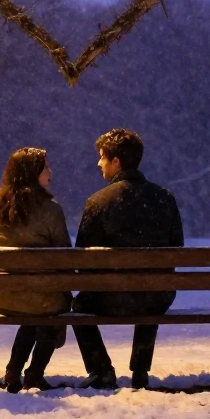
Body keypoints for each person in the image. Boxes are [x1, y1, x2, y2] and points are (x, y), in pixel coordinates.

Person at [72, 129, 184, 390]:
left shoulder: (98, 201)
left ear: (116, 161)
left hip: (111, 296)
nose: (99, 163)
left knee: (77, 307)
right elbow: (177, 247)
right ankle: (141, 371)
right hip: (157, 296)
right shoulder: (164, 198)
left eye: (102, 157)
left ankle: (101, 370)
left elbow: (82, 257)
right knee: (151, 290)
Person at [0, 147, 73, 393]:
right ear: (33, 172)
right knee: (47, 305)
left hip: (4, 298)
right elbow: (64, 255)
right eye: (46, 166)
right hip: (43, 299)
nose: (50, 171)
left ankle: (13, 372)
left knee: (35, 301)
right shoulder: (50, 209)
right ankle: (34, 374)